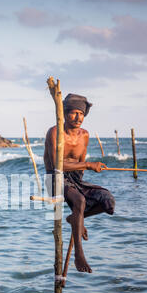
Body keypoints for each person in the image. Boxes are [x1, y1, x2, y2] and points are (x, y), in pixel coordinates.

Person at [44, 93, 115, 273]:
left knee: (107, 201)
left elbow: (80, 166)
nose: (78, 118)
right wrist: (89, 165)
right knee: (80, 201)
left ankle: (74, 219)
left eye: (81, 114)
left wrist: (84, 173)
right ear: (65, 114)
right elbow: (56, 164)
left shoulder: (85, 135)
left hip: (75, 179)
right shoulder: (55, 132)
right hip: (55, 177)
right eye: (74, 113)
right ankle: (79, 255)